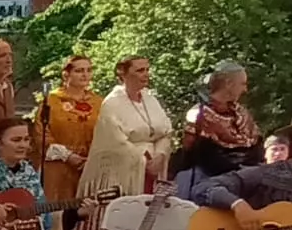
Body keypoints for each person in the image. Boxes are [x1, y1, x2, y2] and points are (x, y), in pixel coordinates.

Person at [82, 54, 173, 197]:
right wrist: (144, 160)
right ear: (123, 74)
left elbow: (166, 132)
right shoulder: (112, 103)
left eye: (147, 69)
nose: (146, 74)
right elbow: (114, 141)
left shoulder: (151, 100)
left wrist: (161, 154)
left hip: (155, 168)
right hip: (125, 172)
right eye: (140, 70)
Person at [174, 61, 262, 195]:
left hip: (244, 181)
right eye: (242, 84)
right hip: (207, 182)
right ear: (228, 84)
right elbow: (193, 150)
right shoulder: (200, 114)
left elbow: (256, 145)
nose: (245, 89)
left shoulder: (242, 113)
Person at [31, 55, 101, 207]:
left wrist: (93, 157)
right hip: (58, 165)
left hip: (88, 165)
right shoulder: (52, 101)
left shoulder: (98, 102)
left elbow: (106, 132)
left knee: (85, 206)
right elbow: (41, 133)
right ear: (66, 74)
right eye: (79, 71)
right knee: (57, 208)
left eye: (89, 70)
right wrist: (68, 156)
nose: (85, 75)